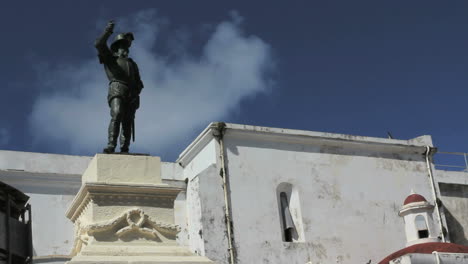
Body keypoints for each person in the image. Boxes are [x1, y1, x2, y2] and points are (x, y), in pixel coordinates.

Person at [94, 20, 144, 153]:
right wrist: (108, 31)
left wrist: (136, 92)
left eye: (127, 46)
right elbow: (99, 44)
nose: (126, 49)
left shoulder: (132, 64)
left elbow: (139, 83)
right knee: (117, 114)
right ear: (117, 47)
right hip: (117, 88)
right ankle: (111, 144)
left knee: (127, 122)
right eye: (123, 46)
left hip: (131, 93)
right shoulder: (110, 59)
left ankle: (125, 147)